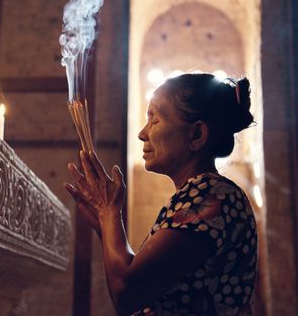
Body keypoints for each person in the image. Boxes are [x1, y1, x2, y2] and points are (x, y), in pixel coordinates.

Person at [65, 73, 258, 315]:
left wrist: (109, 213)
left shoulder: (212, 197)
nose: (142, 134)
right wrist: (106, 228)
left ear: (197, 135)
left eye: (154, 120)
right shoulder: (200, 194)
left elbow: (127, 292)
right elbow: (136, 284)